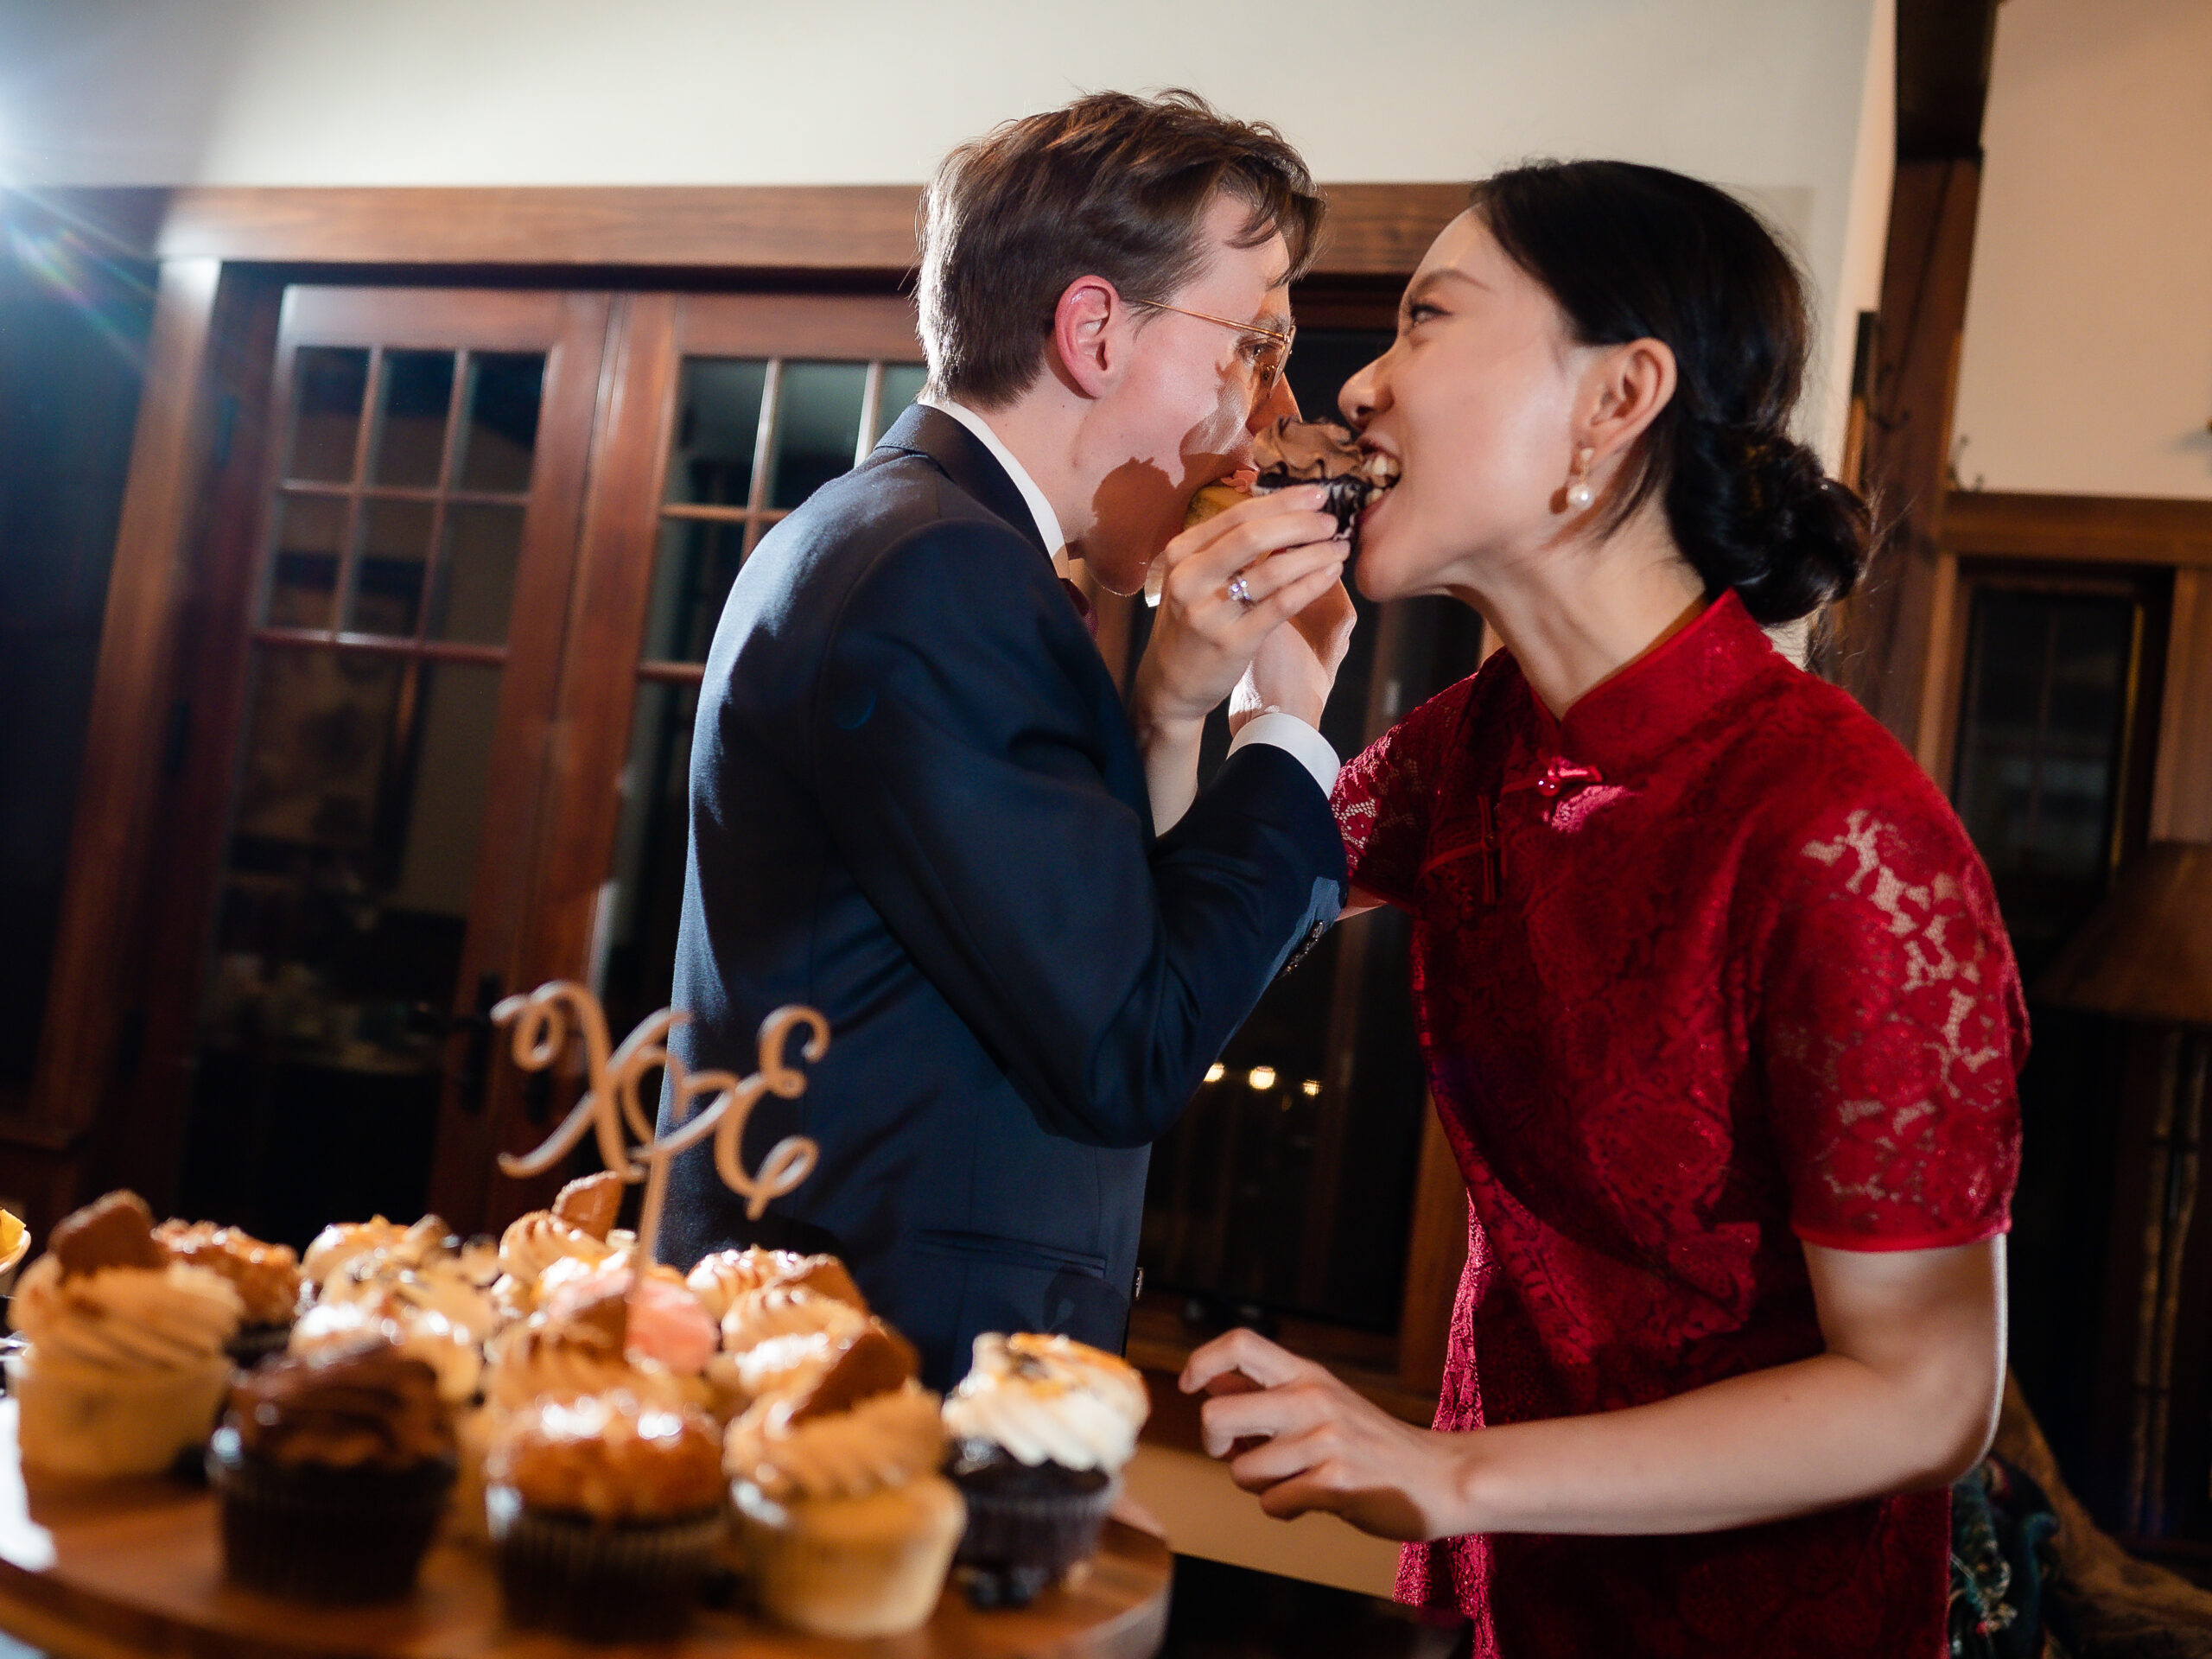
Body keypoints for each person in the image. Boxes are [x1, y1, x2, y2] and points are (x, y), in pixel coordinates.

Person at [1178, 161, 2026, 1656]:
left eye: (1428, 318)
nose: (1362, 386)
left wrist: (1447, 1471)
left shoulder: (1844, 837)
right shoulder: (1475, 744)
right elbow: (1169, 956)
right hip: (1517, 1591)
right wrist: (1218, 692)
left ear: (1617, 398)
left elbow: (1927, 1397)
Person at [658, 92, 1357, 1390]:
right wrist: (1288, 725)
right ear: (1093, 330)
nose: (1270, 407)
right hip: (872, 1372)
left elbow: (1091, 953)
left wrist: (1173, 717)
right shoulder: (944, 575)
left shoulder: (932, 545)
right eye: (1255, 342)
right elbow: (1125, 1051)